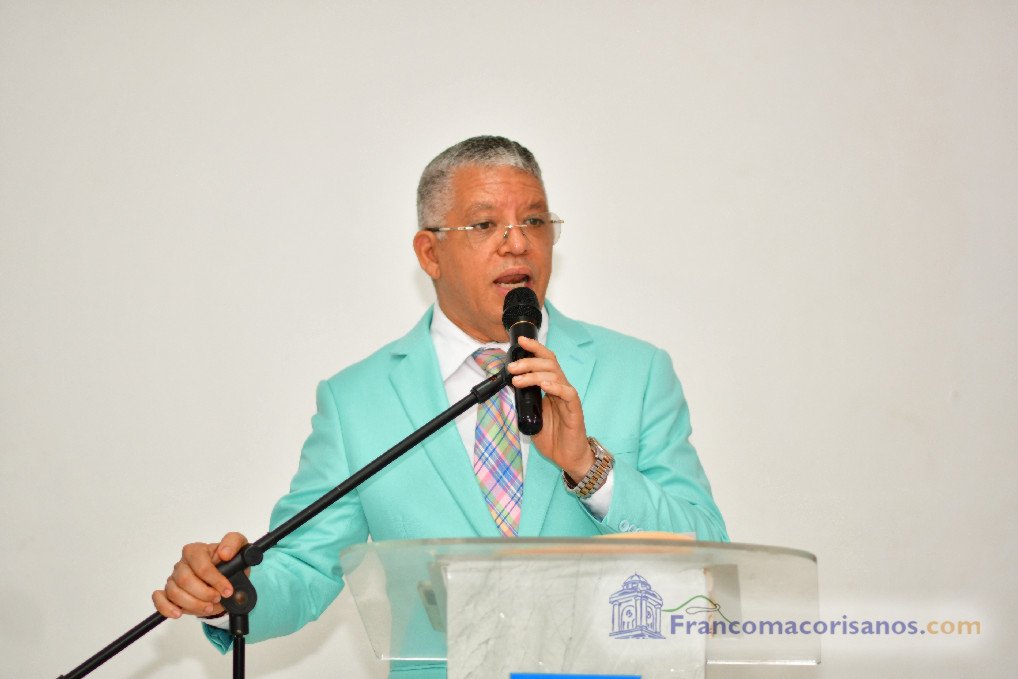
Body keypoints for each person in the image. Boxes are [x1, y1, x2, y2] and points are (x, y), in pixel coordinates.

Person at [151, 135, 728, 676]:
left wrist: (587, 466)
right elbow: (303, 568)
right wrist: (224, 594)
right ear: (430, 252)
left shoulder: (636, 373)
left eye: (534, 221)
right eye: (485, 224)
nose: (517, 242)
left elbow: (709, 558)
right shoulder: (358, 401)